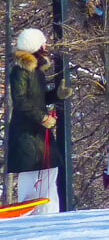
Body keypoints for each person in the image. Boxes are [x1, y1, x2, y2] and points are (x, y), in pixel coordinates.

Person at [7, 28, 71, 174]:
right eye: (43, 43)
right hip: (26, 135)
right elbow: (20, 101)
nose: (46, 47)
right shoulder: (20, 71)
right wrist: (42, 118)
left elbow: (39, 99)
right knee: (32, 181)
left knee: (50, 174)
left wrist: (57, 95)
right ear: (36, 46)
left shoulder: (37, 71)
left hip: (38, 134)